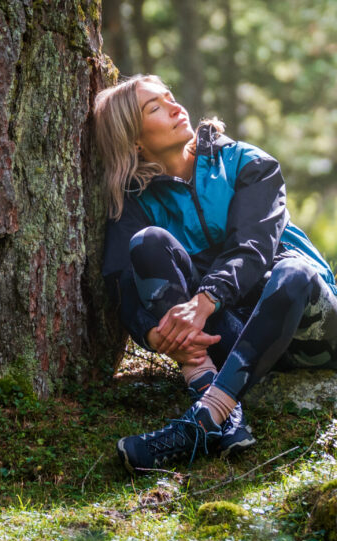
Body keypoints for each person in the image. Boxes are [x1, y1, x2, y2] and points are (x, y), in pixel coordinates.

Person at [93, 74, 337, 474]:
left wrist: (204, 302)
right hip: (233, 337)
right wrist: (153, 334)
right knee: (148, 242)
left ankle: (203, 422)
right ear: (134, 141)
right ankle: (212, 397)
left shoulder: (247, 162)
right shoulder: (136, 202)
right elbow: (121, 279)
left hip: (308, 327)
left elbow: (252, 247)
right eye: (155, 107)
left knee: (294, 271)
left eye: (171, 97)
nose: (176, 107)